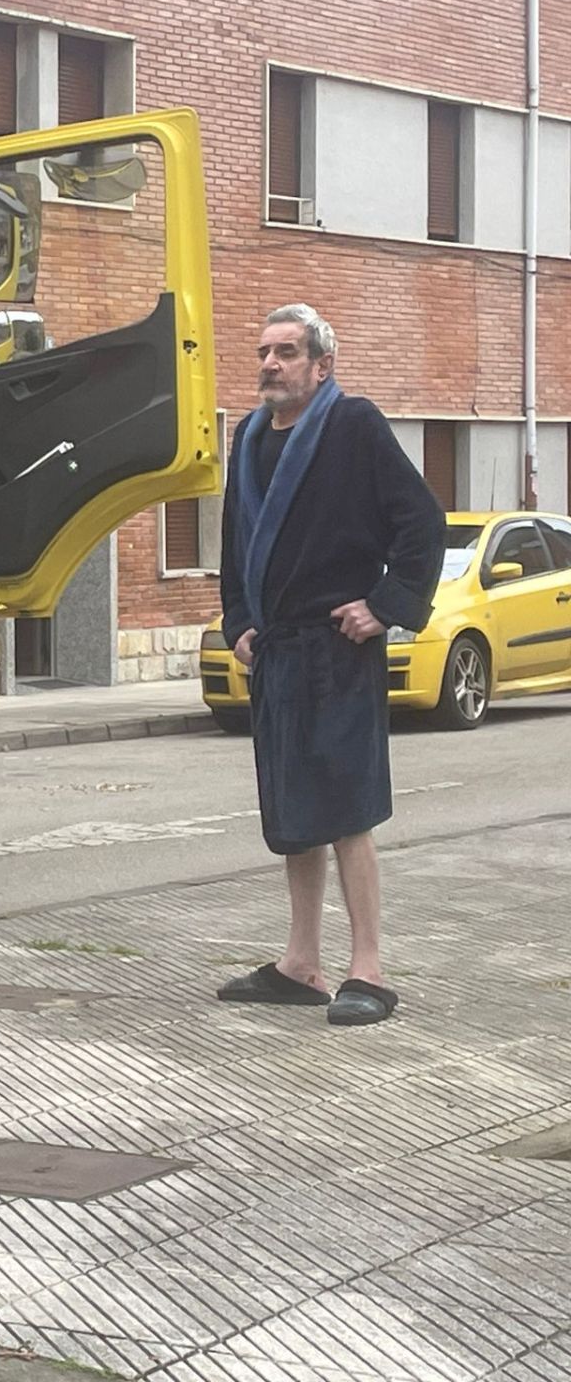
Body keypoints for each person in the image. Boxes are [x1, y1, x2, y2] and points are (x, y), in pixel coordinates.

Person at [216, 304, 443, 1026]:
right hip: (278, 650)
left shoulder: (354, 426)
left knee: (348, 811)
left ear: (322, 365)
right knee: (294, 815)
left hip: (339, 650)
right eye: (264, 351)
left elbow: (421, 522)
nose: (271, 364)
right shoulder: (249, 439)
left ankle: (368, 969)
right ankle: (301, 963)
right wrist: (239, 623)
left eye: (287, 351)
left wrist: (386, 604)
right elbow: (233, 544)